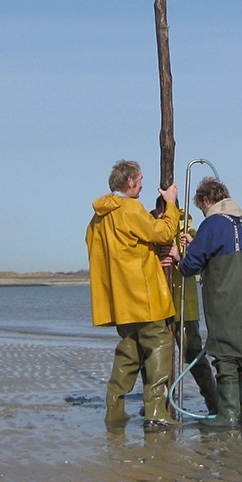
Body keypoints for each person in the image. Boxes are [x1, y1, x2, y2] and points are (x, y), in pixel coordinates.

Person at [86, 160, 180, 431]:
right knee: (160, 345)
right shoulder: (129, 208)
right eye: (140, 179)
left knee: (128, 351)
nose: (142, 183)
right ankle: (155, 411)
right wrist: (171, 205)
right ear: (129, 182)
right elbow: (162, 233)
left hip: (121, 300)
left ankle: (114, 409)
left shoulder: (99, 217)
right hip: (143, 295)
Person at [172, 177, 242, 428]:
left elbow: (189, 267)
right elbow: (220, 248)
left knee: (226, 356)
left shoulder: (212, 223)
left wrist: (180, 256)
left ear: (206, 200)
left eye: (201, 207)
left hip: (225, 299)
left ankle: (227, 416)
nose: (203, 212)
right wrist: (198, 244)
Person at [155, 212, 219, 418]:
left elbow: (200, 265)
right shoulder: (151, 229)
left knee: (194, 356)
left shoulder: (189, 234)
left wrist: (180, 256)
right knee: (156, 359)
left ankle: (214, 404)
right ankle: (159, 406)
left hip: (185, 308)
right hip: (157, 308)